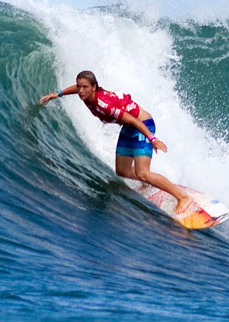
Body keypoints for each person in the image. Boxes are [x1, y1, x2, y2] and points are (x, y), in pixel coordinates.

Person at [39, 70, 194, 214]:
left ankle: (182, 197)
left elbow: (132, 119)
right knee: (122, 171)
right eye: (79, 87)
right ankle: (147, 181)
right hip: (129, 127)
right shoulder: (87, 94)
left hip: (142, 125)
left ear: (94, 87)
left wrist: (152, 139)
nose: (80, 91)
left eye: (84, 87)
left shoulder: (104, 105)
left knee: (143, 172)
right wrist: (57, 94)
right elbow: (77, 88)